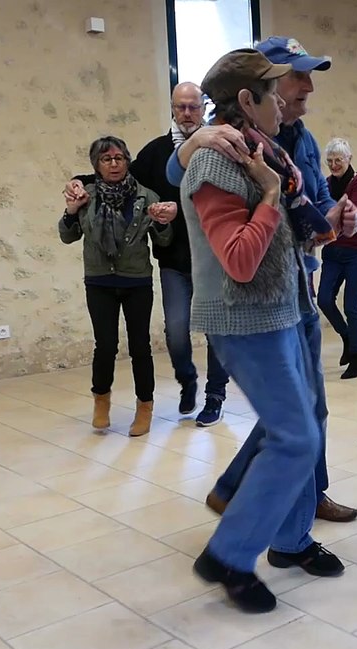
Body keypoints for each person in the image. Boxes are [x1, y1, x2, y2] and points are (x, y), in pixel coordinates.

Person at [170, 36, 357, 523]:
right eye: (296, 77)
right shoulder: (222, 143)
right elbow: (180, 172)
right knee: (296, 421)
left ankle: (268, 497)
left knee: (302, 414)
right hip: (255, 304)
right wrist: (192, 142)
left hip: (298, 288)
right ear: (255, 90)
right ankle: (286, 524)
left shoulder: (299, 142)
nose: (307, 87)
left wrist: (341, 219)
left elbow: (315, 208)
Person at [63, 83, 232, 427]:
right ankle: (187, 379)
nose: (187, 113)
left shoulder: (218, 150)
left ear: (203, 108)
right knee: (176, 333)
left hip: (214, 258)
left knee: (217, 331)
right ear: (172, 108)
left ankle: (215, 395)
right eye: (181, 107)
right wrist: (78, 180)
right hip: (173, 260)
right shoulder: (156, 152)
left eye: (193, 107)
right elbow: (118, 175)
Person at [58, 136, 177, 438]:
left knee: (140, 347)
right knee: (105, 345)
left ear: (127, 161)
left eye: (119, 158)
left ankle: (145, 407)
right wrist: (71, 211)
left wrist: (162, 222)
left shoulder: (146, 196)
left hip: (136, 281)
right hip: (99, 281)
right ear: (96, 165)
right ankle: (101, 401)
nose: (114, 164)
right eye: (106, 159)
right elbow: (67, 236)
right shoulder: (85, 195)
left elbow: (164, 241)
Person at [319, 137, 357, 379]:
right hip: (333, 251)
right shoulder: (326, 183)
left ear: (349, 159)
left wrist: (331, 215)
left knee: (351, 306)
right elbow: (321, 212)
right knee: (324, 299)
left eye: (338, 160)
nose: (334, 165)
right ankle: (346, 336)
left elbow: (352, 215)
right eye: (330, 161)